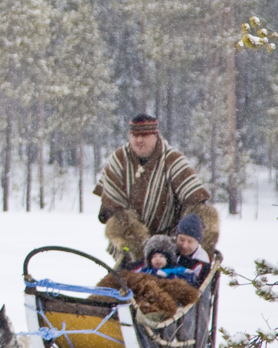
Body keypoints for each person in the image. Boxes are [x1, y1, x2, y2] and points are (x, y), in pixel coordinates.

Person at [94, 114, 219, 269]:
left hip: (172, 243)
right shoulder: (119, 160)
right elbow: (112, 208)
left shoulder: (173, 160)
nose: (139, 140)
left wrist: (190, 242)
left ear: (155, 135)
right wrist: (139, 245)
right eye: (134, 135)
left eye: (144, 135)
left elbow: (197, 202)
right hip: (132, 242)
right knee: (119, 222)